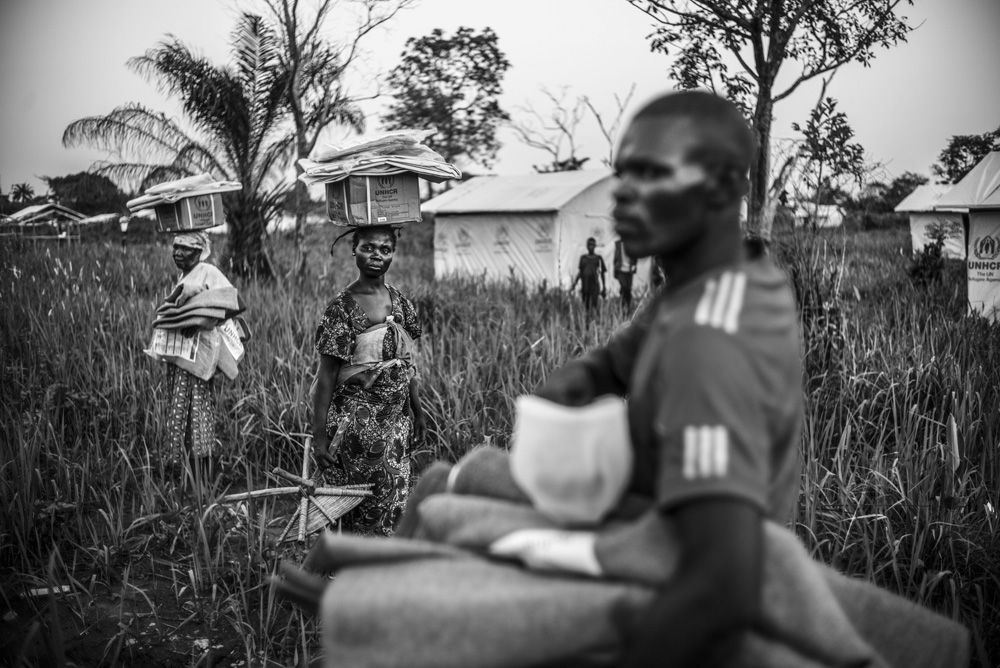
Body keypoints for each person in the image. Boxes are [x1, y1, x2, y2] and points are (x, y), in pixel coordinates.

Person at [534, 90, 803, 668]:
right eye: (623, 174)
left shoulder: (708, 346)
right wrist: (565, 394)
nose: (623, 194)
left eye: (651, 173)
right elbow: (613, 362)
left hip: (679, 589)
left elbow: (718, 588)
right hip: (658, 530)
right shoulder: (708, 283)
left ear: (724, 187)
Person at [311, 224, 427, 537]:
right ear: (354, 249)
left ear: (394, 254)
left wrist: (417, 410)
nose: (376, 256)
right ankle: (347, 571)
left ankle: (382, 572)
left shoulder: (401, 303)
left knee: (394, 499)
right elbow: (326, 377)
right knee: (355, 503)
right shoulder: (342, 307)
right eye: (368, 248)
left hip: (396, 424)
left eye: (385, 249)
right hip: (356, 426)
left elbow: (406, 362)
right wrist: (319, 437)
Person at [160, 232, 237, 466]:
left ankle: (202, 462)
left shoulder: (208, 272)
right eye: (175, 247)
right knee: (179, 403)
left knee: (197, 402)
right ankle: (182, 462)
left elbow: (232, 303)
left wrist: (202, 323)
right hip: (182, 355)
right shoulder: (186, 274)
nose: (177, 252)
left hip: (200, 354)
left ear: (198, 252)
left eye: (184, 248)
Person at [570, 237, 606, 312]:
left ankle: (595, 321)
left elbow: (602, 273)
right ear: (587, 246)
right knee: (586, 307)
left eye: (592, 245)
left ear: (595, 246)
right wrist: (574, 284)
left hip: (594, 287)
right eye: (589, 245)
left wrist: (604, 287)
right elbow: (580, 272)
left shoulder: (598, 258)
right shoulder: (583, 258)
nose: (591, 247)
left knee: (595, 306)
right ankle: (587, 322)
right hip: (585, 286)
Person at [613, 238, 638, 309]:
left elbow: (635, 255)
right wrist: (615, 271)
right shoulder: (617, 244)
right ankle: (623, 306)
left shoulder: (632, 243)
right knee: (625, 287)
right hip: (620, 270)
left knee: (628, 289)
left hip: (629, 270)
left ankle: (627, 306)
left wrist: (634, 265)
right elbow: (615, 257)